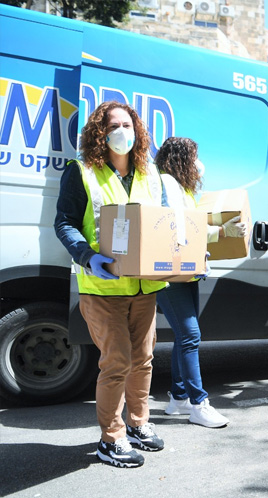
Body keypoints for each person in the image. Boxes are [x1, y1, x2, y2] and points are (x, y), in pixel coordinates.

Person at [54, 101, 166, 468]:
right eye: (113, 125)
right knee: (117, 361)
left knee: (144, 361)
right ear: (99, 133)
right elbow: (65, 223)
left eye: (128, 124)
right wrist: (87, 256)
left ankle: (138, 424)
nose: (122, 131)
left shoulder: (150, 174)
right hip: (102, 288)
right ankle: (111, 437)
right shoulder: (82, 171)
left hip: (144, 288)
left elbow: (162, 226)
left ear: (138, 131)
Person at [154, 137, 242, 428]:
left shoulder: (181, 188)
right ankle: (198, 404)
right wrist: (221, 230)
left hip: (186, 269)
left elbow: (192, 224)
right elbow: (176, 226)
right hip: (170, 271)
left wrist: (217, 231)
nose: (198, 164)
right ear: (181, 158)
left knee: (185, 336)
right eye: (194, 156)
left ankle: (178, 398)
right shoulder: (167, 183)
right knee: (190, 335)